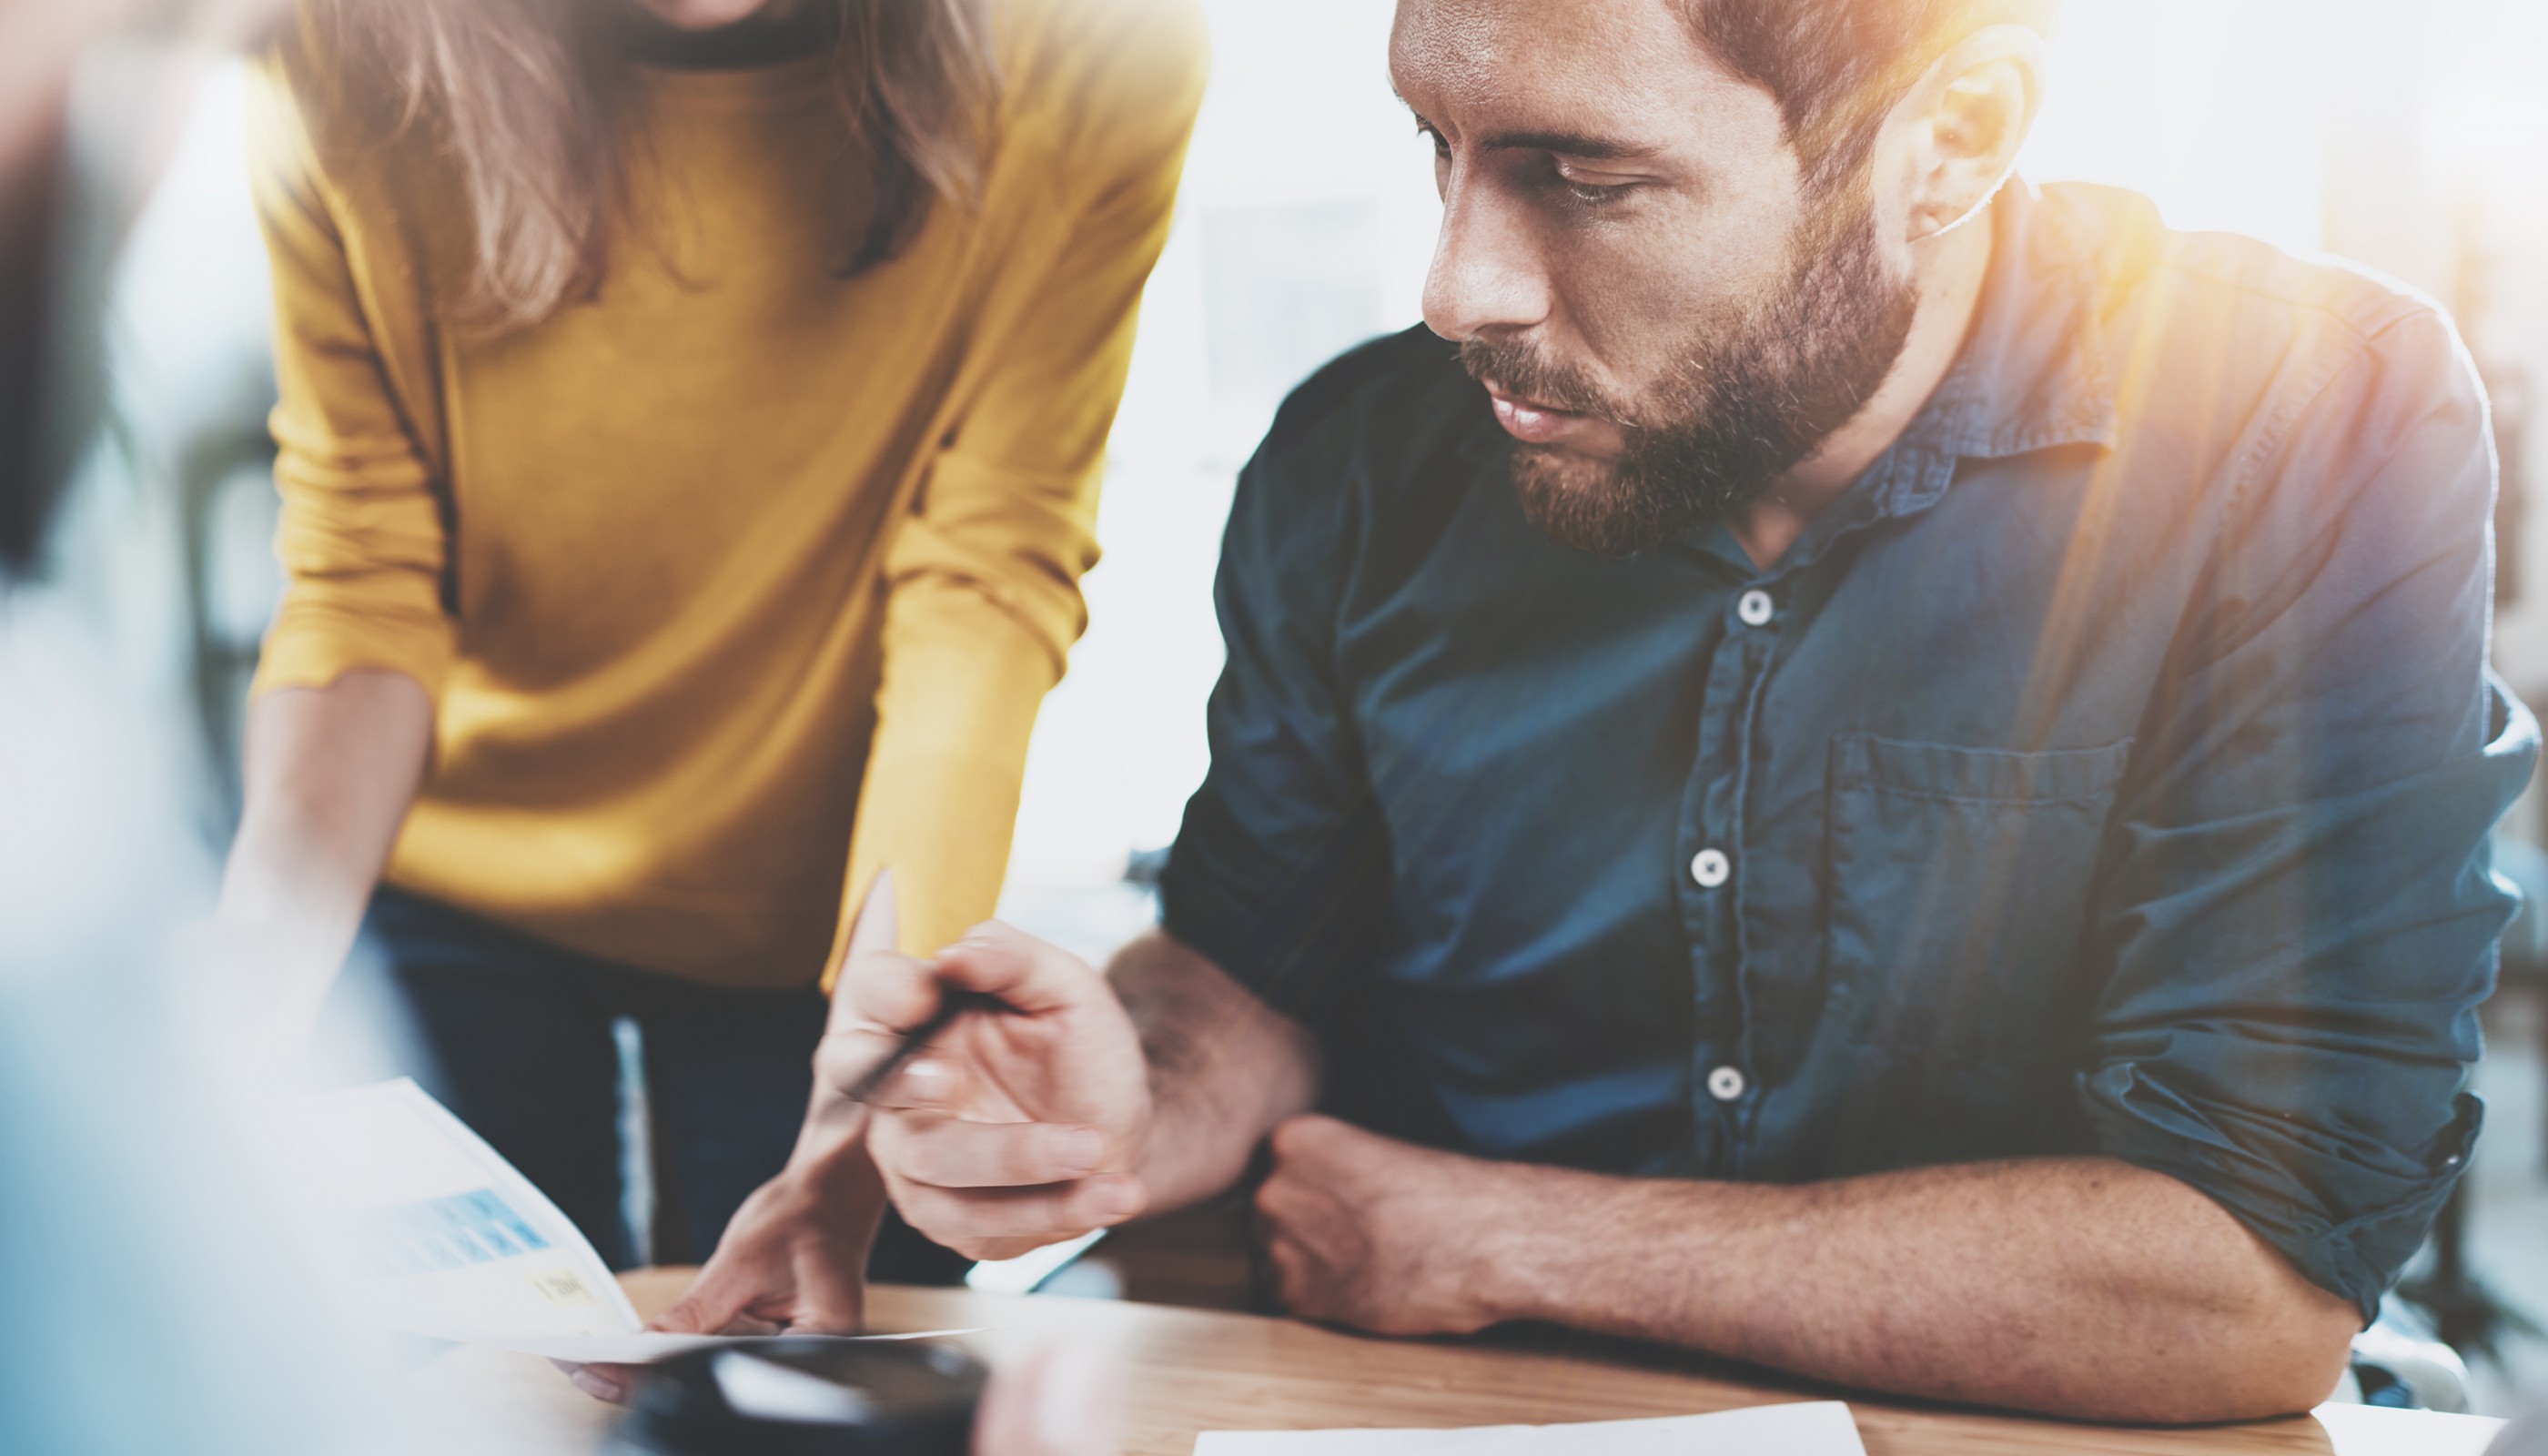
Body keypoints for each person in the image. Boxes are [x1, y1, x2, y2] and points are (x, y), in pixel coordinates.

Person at [671, 0, 2541, 1427]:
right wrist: (1117, 1105)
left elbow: (2243, 1278)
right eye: (1438, 143)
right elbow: (1259, 969)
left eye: (1583, 176)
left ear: (1948, 135)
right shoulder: (1361, 456)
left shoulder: (2305, 417)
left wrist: (1487, 1232)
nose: (1455, 284)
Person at [207, 0, 1207, 1279]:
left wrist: (878, 1064)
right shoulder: (336, 41)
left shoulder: (1105, 43)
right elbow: (365, 567)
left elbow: (984, 578)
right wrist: (257, 968)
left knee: (827, 1356)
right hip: (443, 884)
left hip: (833, 909)